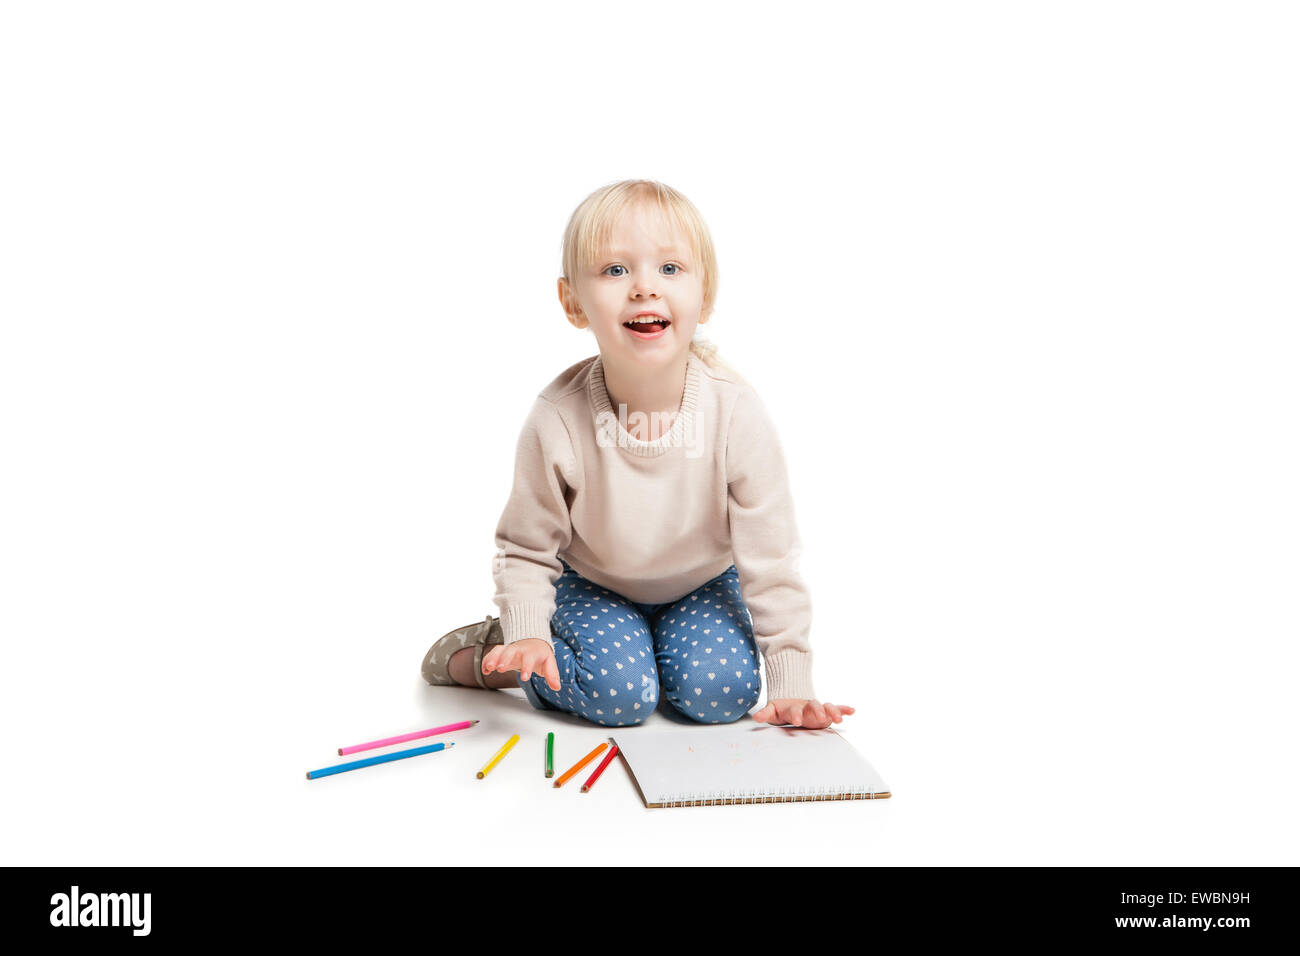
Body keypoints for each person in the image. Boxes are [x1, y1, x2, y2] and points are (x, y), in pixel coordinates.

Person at [421, 179, 854, 730]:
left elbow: (771, 559)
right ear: (572, 302)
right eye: (615, 270)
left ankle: (647, 650)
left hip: (699, 585)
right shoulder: (559, 417)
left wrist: (793, 684)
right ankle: (503, 649)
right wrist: (528, 628)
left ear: (707, 295)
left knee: (721, 695)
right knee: (620, 698)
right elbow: (527, 548)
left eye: (670, 269)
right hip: (593, 585)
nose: (645, 288)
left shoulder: (735, 412)